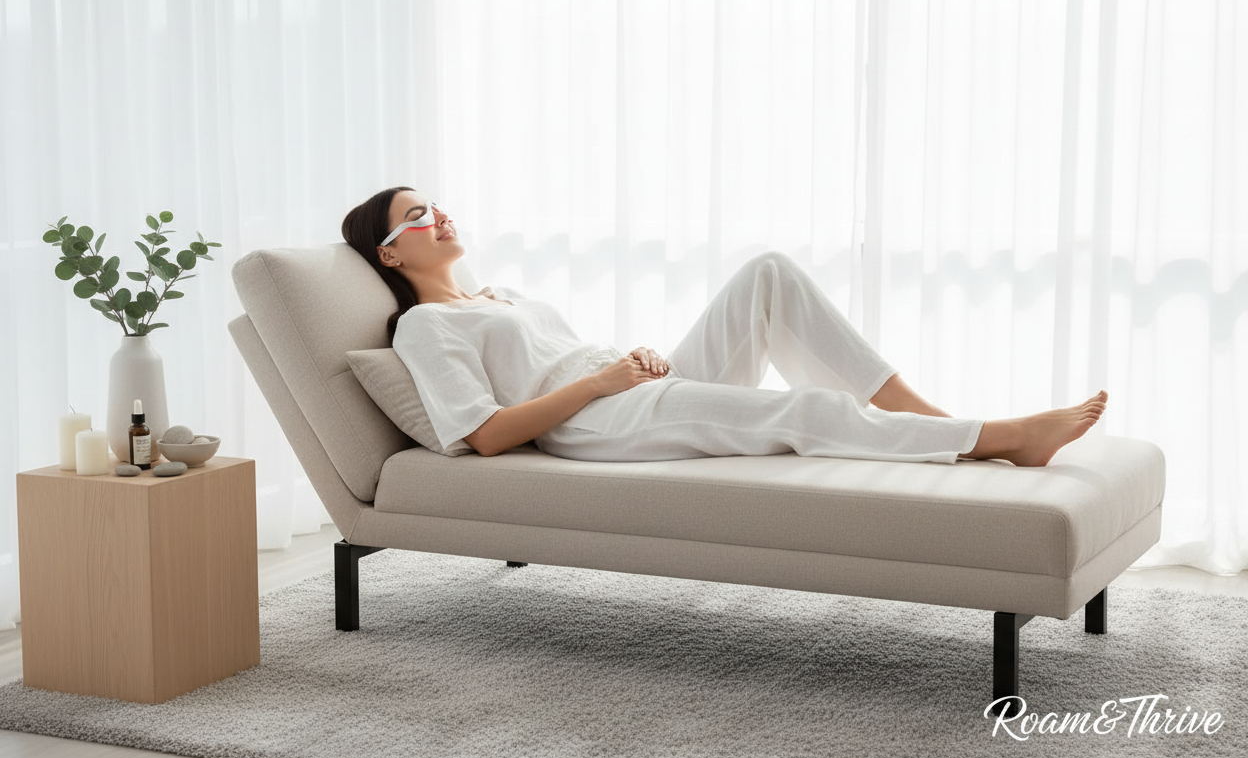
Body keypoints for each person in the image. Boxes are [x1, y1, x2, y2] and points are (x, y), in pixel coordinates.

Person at [341, 186, 1107, 466]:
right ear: (389, 252)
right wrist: (603, 381)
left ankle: (936, 422)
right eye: (417, 216)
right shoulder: (424, 330)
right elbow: (486, 436)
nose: (437, 215)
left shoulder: (498, 296)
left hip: (629, 390)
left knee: (768, 274)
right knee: (800, 410)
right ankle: (998, 438)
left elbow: (560, 356)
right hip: (596, 425)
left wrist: (624, 359)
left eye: (435, 205)